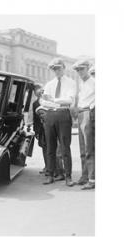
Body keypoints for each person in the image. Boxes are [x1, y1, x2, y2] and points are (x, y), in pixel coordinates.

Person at [39, 58, 76, 186]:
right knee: (50, 147)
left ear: (63, 68)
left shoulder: (71, 83)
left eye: (58, 68)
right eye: (54, 69)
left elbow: (69, 100)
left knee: (65, 147)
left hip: (63, 114)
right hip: (50, 114)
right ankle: (50, 175)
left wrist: (53, 99)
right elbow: (43, 101)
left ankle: (68, 177)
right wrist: (56, 101)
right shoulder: (49, 84)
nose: (56, 71)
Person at [33, 84, 65, 180]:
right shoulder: (35, 104)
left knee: (54, 150)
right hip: (42, 130)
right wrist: (36, 132)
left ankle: (57, 170)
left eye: (41, 91)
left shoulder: (49, 102)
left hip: (51, 128)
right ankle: (48, 167)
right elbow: (35, 119)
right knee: (45, 149)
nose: (39, 93)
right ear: (35, 93)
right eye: (37, 91)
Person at [72, 59, 95, 190]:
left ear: (87, 68)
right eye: (78, 70)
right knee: (82, 148)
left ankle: (92, 179)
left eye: (82, 69)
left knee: (89, 148)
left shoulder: (94, 82)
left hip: (88, 113)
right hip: (81, 113)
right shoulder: (82, 83)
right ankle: (84, 176)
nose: (80, 72)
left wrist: (91, 109)